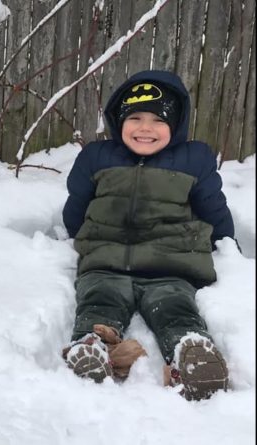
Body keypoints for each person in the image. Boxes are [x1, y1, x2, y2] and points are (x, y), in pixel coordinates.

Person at [61, 70, 234, 401]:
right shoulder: (97, 157)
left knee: (175, 307)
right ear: (118, 119)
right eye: (135, 117)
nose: (145, 128)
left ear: (176, 123)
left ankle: (192, 353)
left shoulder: (193, 159)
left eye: (158, 119)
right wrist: (79, 235)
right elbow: (77, 205)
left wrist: (228, 247)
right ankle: (92, 347)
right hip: (106, 262)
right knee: (99, 300)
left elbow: (214, 209)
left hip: (170, 264)